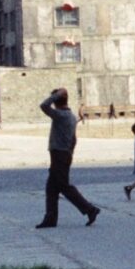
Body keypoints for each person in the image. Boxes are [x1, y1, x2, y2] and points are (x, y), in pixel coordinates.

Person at [36, 89, 100, 228]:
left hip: (59, 155)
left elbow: (43, 106)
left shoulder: (61, 115)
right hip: (63, 154)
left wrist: (55, 95)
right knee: (51, 188)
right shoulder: (70, 116)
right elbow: (74, 139)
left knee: (64, 187)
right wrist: (70, 153)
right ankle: (50, 218)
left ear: (56, 101)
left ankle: (90, 209)